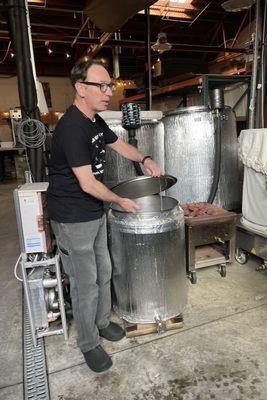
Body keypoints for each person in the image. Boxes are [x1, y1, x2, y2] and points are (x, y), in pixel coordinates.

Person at [47, 59, 163, 373]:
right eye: (101, 85)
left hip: (93, 211)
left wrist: (146, 158)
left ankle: (100, 322)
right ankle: (88, 342)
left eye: (110, 85)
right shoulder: (71, 128)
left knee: (105, 272)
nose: (109, 91)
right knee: (85, 284)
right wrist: (120, 201)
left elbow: (119, 145)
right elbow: (87, 183)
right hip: (72, 218)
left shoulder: (93, 120)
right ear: (80, 88)